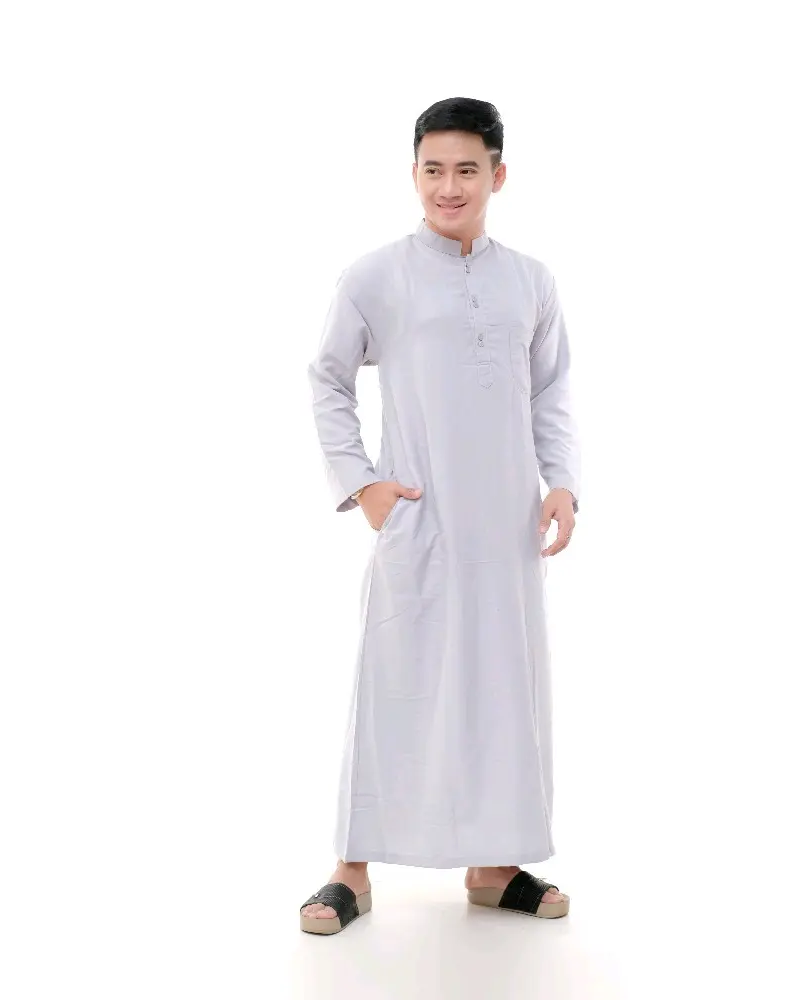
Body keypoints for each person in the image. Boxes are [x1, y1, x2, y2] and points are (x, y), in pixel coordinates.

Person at [301, 97, 581, 935]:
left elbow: (551, 390)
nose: (448, 187)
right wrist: (363, 485)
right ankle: (351, 867)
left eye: (466, 170)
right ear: (414, 174)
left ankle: (494, 865)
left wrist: (562, 482)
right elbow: (327, 377)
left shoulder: (530, 281)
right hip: (420, 519)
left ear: (499, 175)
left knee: (503, 688)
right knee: (394, 680)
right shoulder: (377, 276)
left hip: (506, 527)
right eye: (433, 170)